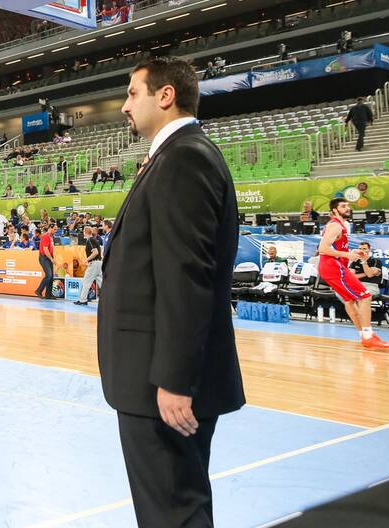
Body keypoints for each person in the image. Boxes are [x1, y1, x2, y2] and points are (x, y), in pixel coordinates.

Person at [98, 56, 244, 527]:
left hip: (161, 385)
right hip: (154, 378)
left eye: (132, 93)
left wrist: (175, 379)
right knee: (177, 507)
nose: (124, 106)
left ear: (166, 95)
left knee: (173, 514)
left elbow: (187, 275)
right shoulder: (176, 155)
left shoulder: (184, 157)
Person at [317, 198, 389, 349]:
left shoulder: (340, 226)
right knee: (365, 296)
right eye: (343, 206)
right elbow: (322, 249)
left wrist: (350, 252)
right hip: (333, 266)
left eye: (348, 206)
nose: (348, 208)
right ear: (334, 211)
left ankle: (364, 336)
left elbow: (336, 249)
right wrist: (347, 256)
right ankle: (368, 335)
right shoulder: (335, 226)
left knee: (350, 301)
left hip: (330, 267)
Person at [74, 225, 104, 305]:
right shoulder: (94, 240)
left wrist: (86, 260)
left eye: (83, 231)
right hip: (99, 263)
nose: (83, 232)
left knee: (86, 282)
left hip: (94, 263)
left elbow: (95, 252)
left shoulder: (90, 240)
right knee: (102, 283)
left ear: (86, 232)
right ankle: (111, 298)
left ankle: (82, 300)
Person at [36, 223, 56, 297]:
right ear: (50, 228)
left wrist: (52, 258)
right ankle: (39, 290)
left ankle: (48, 294)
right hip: (44, 257)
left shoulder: (51, 237)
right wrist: (51, 258)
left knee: (51, 276)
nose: (56, 231)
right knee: (48, 275)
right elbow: (45, 250)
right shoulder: (46, 236)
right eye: (55, 229)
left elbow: (50, 249)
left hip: (48, 257)